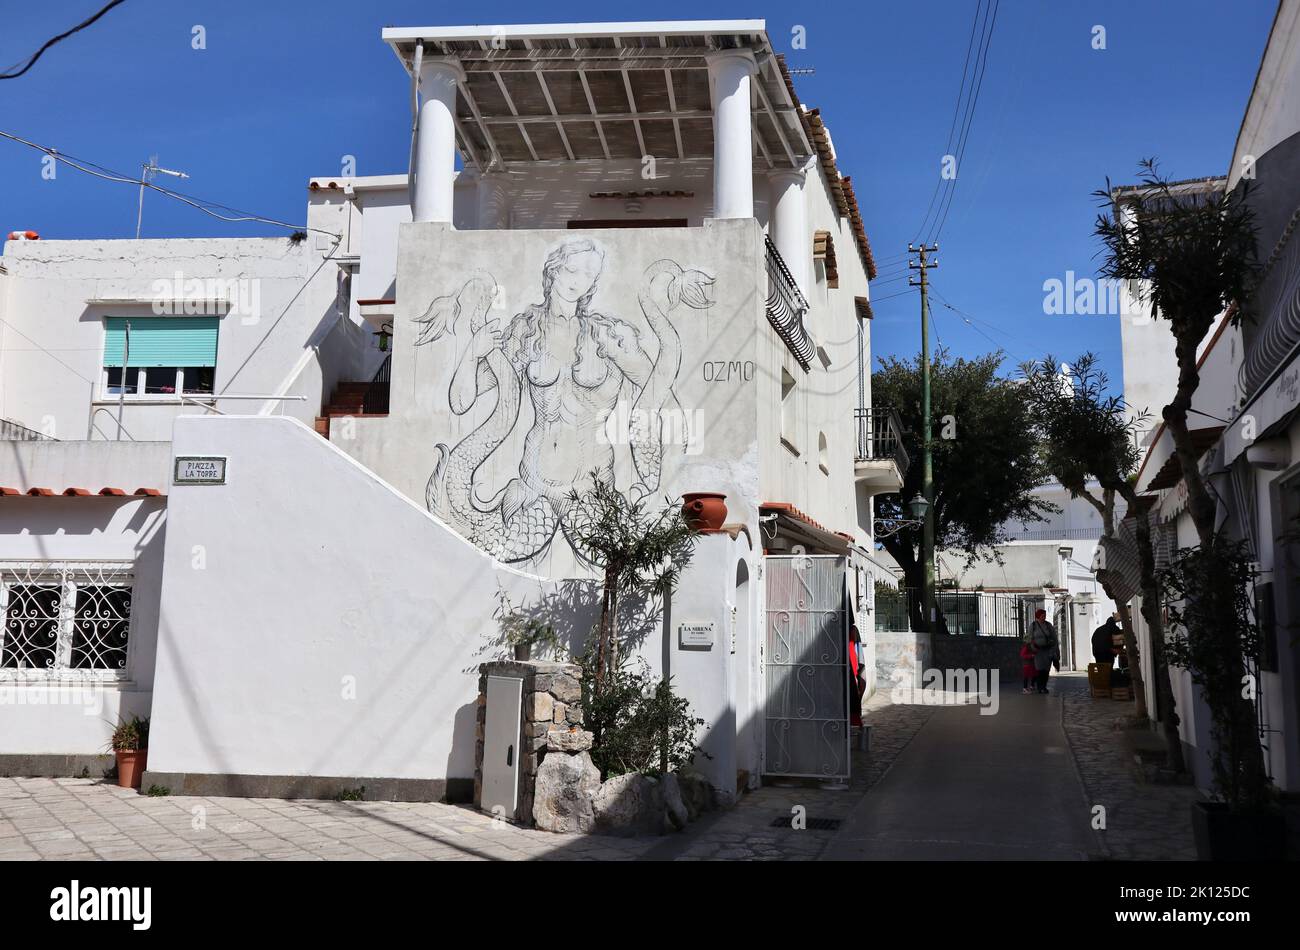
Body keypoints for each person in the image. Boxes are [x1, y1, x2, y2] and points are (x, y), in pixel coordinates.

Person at [1027, 608, 1058, 694]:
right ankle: (1040, 687)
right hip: (1038, 651)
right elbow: (1029, 638)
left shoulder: (1048, 625)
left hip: (1048, 650)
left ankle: (1044, 686)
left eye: (1044, 616)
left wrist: (1055, 649)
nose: (1044, 617)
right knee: (1039, 669)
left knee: (1046, 670)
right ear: (1038, 616)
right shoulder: (1033, 626)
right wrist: (1032, 648)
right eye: (1042, 616)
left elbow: (1054, 638)